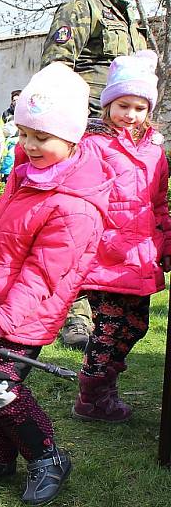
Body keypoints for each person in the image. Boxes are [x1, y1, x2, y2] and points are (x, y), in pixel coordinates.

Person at [0, 63, 114, 506]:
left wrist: (2, 319)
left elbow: (42, 276)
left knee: (0, 383)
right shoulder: (30, 174)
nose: (29, 145)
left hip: (25, 313)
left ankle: (47, 457)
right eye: (24, 134)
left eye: (41, 137)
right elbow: (11, 208)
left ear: (72, 136)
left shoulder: (75, 206)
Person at [42, 0, 147, 350]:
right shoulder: (82, 6)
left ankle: (105, 301)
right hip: (87, 126)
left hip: (124, 131)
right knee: (77, 218)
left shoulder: (132, 20)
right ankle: (75, 316)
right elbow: (57, 66)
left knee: (113, 220)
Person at [73, 50, 171, 423]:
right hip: (107, 256)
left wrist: (165, 241)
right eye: (123, 105)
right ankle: (91, 395)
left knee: (137, 326)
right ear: (109, 104)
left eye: (139, 107)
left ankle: (106, 382)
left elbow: (158, 202)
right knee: (109, 326)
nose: (130, 114)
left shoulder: (154, 152)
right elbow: (82, 198)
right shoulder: (94, 145)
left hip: (141, 254)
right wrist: (101, 239)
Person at [42, 0, 147, 117]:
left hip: (126, 122)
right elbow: (56, 67)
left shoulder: (129, 18)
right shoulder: (83, 6)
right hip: (90, 120)